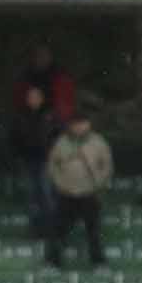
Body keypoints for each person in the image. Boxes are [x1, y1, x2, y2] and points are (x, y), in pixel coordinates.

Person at [44, 102, 110, 267]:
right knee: (58, 230)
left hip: (89, 192)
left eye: (82, 123)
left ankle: (98, 262)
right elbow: (53, 165)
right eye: (76, 123)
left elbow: (106, 165)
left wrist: (99, 183)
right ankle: (52, 261)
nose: (79, 127)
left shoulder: (98, 142)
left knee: (93, 231)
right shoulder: (62, 143)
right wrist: (60, 183)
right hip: (67, 193)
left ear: (88, 124)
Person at [10, 82, 59, 239]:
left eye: (36, 96)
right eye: (30, 97)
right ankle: (35, 230)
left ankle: (51, 229)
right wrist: (18, 155)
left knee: (47, 195)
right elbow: (14, 139)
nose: (33, 99)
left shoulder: (51, 115)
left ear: (42, 98)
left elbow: (58, 137)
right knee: (32, 197)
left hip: (46, 160)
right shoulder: (20, 116)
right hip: (28, 161)